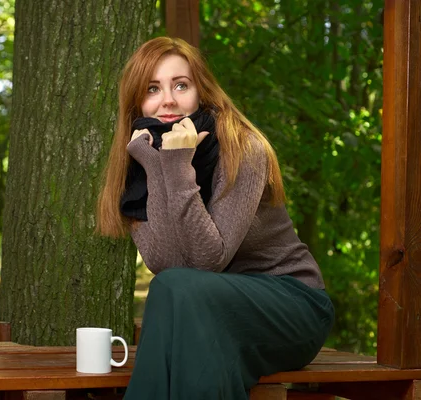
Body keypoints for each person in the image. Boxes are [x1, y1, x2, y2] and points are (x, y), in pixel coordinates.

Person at [96, 37, 334, 400]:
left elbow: (207, 261)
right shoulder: (138, 161)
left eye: (181, 85)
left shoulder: (242, 148)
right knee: (170, 289)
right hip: (208, 314)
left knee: (178, 293)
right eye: (152, 89)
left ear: (200, 91)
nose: (169, 100)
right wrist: (155, 166)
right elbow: (167, 265)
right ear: (136, 103)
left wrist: (176, 165)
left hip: (291, 306)